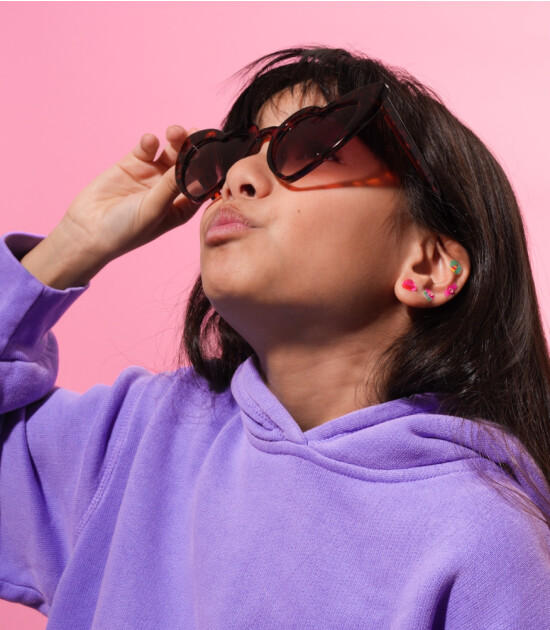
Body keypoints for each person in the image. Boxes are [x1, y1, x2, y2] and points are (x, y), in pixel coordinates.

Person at [1, 46, 550, 629]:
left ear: (429, 268)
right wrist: (71, 246)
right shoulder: (134, 440)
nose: (238, 176)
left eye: (313, 150)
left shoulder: (485, 542)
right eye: (232, 156)